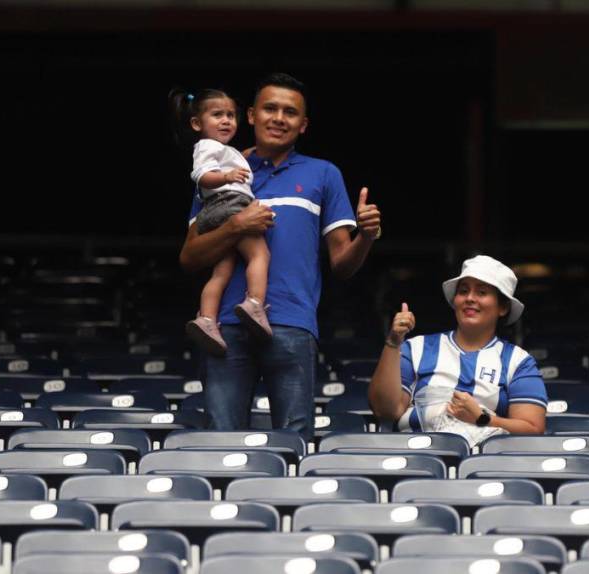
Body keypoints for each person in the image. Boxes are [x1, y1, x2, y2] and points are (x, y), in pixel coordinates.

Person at [179, 73, 382, 440]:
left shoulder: (323, 173)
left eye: (290, 112)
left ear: (302, 125)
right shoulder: (219, 173)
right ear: (252, 115)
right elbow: (190, 257)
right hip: (224, 327)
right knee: (219, 439)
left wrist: (365, 237)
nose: (279, 117)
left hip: (291, 323)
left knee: (294, 438)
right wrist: (237, 226)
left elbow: (342, 265)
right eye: (270, 108)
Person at [368, 255, 548, 445]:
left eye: (481, 292)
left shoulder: (518, 361)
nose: (470, 298)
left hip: (482, 466)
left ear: (502, 307)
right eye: (463, 291)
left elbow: (533, 430)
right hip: (414, 456)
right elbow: (385, 411)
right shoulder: (416, 348)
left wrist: (482, 418)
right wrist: (393, 343)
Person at [170, 88, 274, 358]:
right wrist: (227, 176)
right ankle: (254, 303)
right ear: (197, 124)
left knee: (222, 271)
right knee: (259, 254)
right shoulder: (206, 146)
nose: (226, 120)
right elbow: (202, 175)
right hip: (230, 205)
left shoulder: (224, 150)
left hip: (215, 213)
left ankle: (206, 318)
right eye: (217, 115)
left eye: (230, 115)